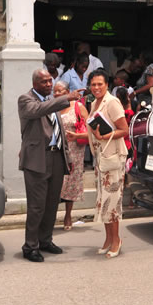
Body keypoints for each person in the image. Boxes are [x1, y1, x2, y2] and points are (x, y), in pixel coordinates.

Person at [18, 69, 83, 263]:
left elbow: (60, 132)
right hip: (37, 160)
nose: (49, 85)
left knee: (52, 204)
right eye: (45, 82)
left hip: (56, 158)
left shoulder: (51, 103)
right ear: (35, 82)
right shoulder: (26, 99)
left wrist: (68, 158)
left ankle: (45, 240)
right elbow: (38, 110)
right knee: (37, 206)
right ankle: (30, 246)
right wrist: (67, 98)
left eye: (50, 81)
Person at [82, 69, 129, 258]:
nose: (96, 88)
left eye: (100, 84)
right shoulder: (94, 104)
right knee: (104, 201)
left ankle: (116, 240)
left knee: (113, 202)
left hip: (114, 157)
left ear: (107, 85)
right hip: (101, 158)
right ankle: (108, 239)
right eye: (93, 84)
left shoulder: (112, 102)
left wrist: (105, 136)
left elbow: (124, 130)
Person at [55, 81, 88, 231]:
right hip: (57, 150)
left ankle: (68, 215)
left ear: (68, 91)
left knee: (70, 183)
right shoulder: (53, 107)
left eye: (60, 91)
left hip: (74, 151)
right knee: (57, 183)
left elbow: (90, 129)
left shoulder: (78, 107)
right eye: (54, 91)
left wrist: (77, 135)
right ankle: (52, 216)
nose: (56, 94)